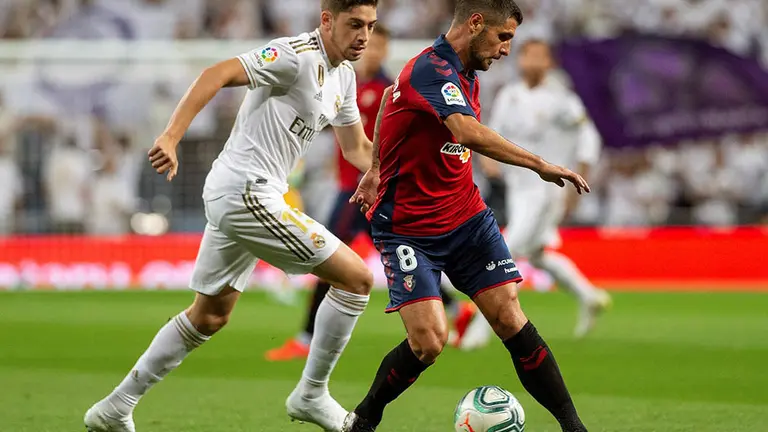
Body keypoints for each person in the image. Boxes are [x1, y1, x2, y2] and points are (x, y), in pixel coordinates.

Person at [84, 1, 380, 431]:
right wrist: (171, 136)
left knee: (209, 316)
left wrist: (394, 175)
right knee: (356, 280)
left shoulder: (345, 76)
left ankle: (114, 408)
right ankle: (312, 394)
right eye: (355, 24)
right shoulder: (294, 55)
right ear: (327, 20)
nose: (364, 37)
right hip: (247, 192)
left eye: (370, 26)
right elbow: (216, 74)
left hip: (247, 195)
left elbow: (357, 149)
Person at [342, 1, 591, 431]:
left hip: (467, 218)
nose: (506, 50)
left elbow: (388, 97)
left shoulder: (465, 72)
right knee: (429, 342)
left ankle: (574, 428)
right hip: (407, 229)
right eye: (503, 37)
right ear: (476, 24)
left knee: (510, 317)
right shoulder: (430, 69)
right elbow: (465, 131)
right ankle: (365, 417)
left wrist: (376, 167)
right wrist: (540, 164)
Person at [266, 23, 485, 362]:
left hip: (364, 189)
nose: (373, 52)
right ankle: (457, 308)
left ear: (385, 51)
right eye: (370, 46)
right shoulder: (348, 82)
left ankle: (306, 337)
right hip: (352, 187)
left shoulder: (389, 88)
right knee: (387, 257)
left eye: (380, 47)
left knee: (326, 255)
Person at [487, 39, 611, 338]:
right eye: (528, 56)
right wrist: (487, 161)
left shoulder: (562, 99)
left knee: (506, 251)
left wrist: (578, 178)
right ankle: (588, 296)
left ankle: (481, 329)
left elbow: (588, 137)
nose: (532, 62)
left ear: (549, 63)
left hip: (546, 189)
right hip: (517, 187)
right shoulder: (509, 96)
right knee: (538, 254)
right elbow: (491, 133)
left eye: (539, 57)